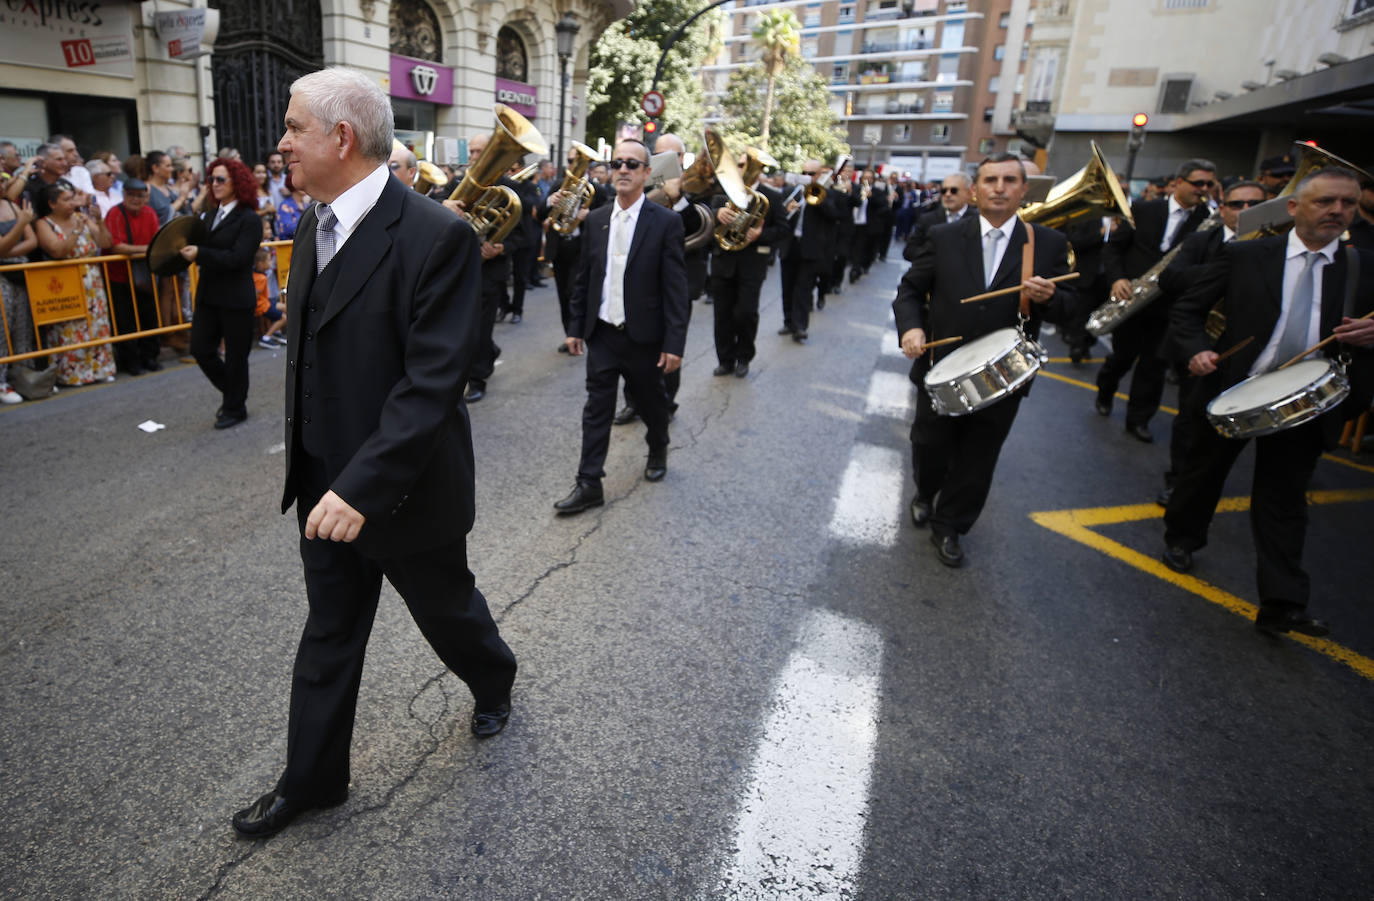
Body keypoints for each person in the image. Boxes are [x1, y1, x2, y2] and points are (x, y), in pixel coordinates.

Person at [231, 67, 517, 840]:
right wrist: (319, 471)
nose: (281, 141)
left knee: (448, 613)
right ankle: (313, 782)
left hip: (402, 490)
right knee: (329, 632)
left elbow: (430, 386)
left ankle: (495, 678)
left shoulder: (438, 234)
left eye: (293, 127)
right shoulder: (309, 224)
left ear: (341, 138)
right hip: (325, 484)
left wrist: (360, 487)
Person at [1161, 166, 1374, 637]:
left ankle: (1282, 601)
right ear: (1295, 208)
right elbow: (1188, 310)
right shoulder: (1246, 255)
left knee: (1285, 499)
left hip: (1308, 402)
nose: (1337, 212)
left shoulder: (1365, 266)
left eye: (1348, 204)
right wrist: (1195, 350)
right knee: (1202, 473)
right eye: (1325, 202)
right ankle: (1182, 538)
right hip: (1236, 388)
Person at [892, 154, 1074, 568]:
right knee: (929, 442)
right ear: (976, 189)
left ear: (1024, 190)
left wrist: (1052, 298)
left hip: (1005, 375)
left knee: (979, 455)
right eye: (991, 179)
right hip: (941, 365)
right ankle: (926, 489)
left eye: (1010, 180)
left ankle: (950, 525)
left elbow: (1072, 307)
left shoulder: (1046, 243)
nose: (999, 187)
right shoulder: (943, 236)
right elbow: (909, 290)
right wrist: (911, 329)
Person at [553, 138, 688, 515]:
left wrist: (674, 343)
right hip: (603, 334)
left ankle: (658, 445)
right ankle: (588, 482)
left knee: (651, 402)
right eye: (617, 164)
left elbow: (676, 290)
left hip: (644, 336)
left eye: (632, 164)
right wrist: (576, 328)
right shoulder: (596, 220)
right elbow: (585, 279)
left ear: (647, 173)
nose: (623, 170)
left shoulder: (666, 222)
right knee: (597, 408)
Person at [1152, 180, 1266, 506]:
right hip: (1204, 347)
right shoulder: (1203, 241)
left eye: (1254, 205)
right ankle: (1179, 481)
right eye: (1237, 205)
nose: (1246, 212)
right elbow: (1171, 279)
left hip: (1252, 352)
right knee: (1191, 418)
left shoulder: (1278, 247)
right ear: (1222, 209)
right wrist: (1224, 268)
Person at [1095, 158, 1216, 443]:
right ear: (1178, 183)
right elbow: (1114, 249)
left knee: (1154, 365)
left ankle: (1138, 419)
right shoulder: (1143, 209)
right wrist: (1117, 279)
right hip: (1131, 298)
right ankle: (1105, 390)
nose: (1204, 189)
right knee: (1121, 357)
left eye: (1209, 184)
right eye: (1198, 183)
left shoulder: (1208, 222)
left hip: (1170, 305)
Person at [443, 131, 527, 402]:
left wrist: (501, 247)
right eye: (473, 152)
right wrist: (444, 206)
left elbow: (522, 235)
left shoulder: (507, 187)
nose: (476, 157)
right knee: (460, 326)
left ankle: (477, 378)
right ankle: (488, 351)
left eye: (481, 152)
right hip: (458, 269)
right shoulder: (455, 184)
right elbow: (428, 212)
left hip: (489, 270)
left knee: (480, 327)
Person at [178, 158, 261, 429]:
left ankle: (235, 407)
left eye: (221, 179)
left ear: (237, 182)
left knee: (237, 357)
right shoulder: (209, 215)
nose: (214, 184)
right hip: (209, 295)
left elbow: (238, 258)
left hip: (236, 298)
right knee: (200, 349)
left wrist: (201, 253)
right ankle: (234, 395)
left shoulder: (249, 219)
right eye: (212, 179)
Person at [711, 155, 789, 378]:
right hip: (723, 263)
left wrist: (761, 234)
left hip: (752, 265)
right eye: (740, 164)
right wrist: (717, 214)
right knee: (722, 315)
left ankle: (743, 357)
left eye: (747, 164)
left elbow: (783, 229)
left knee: (746, 313)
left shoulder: (772, 196)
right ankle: (725, 360)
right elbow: (705, 219)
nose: (742, 168)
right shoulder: (722, 192)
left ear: (759, 168)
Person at [34, 182, 117, 385]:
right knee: (70, 330)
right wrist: (76, 232)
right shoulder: (44, 224)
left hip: (92, 282)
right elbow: (57, 250)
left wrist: (99, 220)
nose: (73, 203)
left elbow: (105, 243)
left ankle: (100, 368)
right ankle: (73, 373)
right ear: (52, 204)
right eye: (67, 199)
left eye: (73, 198)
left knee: (96, 326)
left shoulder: (82, 218)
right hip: (64, 282)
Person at [778, 159, 848, 343]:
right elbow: (779, 217)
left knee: (804, 288)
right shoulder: (790, 191)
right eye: (804, 173)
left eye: (811, 174)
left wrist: (818, 198)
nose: (807, 177)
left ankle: (800, 326)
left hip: (811, 247)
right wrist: (787, 209)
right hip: (790, 245)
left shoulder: (828, 194)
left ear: (819, 175)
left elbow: (835, 216)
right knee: (788, 286)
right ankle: (788, 321)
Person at [103, 178, 163, 375]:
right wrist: (146, 250)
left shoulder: (150, 212)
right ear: (124, 195)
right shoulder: (115, 213)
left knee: (149, 315)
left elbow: (156, 239)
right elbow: (115, 245)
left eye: (140, 195)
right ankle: (131, 361)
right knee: (125, 320)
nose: (135, 199)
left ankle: (150, 357)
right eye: (131, 195)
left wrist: (142, 251)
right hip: (119, 274)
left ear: (146, 197)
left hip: (143, 272)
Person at [0, 193, 38, 403]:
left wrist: (7, 252)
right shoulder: (20, 214)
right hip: (1, 278)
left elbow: (32, 241)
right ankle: (1, 381)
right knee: (2, 330)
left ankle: (25, 376)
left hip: (20, 271)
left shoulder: (13, 206)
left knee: (23, 328)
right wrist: (21, 223)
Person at [905, 172, 975, 261]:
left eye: (954, 190)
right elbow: (909, 251)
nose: (948, 194)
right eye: (944, 191)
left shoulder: (977, 220)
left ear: (968, 193)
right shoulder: (927, 219)